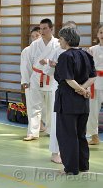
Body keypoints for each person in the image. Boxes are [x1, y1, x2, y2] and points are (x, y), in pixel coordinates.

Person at [54, 27, 96, 175]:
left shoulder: (66, 56)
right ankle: (83, 165)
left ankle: (71, 169)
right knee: (80, 134)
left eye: (60, 38)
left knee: (67, 135)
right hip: (82, 102)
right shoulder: (86, 54)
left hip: (68, 101)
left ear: (67, 40)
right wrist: (83, 89)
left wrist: (79, 89)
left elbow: (68, 79)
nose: (59, 41)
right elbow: (92, 77)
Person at [44, 21, 77, 164]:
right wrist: (53, 66)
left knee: (72, 123)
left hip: (74, 90)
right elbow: (47, 71)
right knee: (57, 121)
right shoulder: (57, 50)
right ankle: (54, 151)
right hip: (59, 89)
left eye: (72, 30)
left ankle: (68, 151)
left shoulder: (79, 51)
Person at [23, 18, 60, 141]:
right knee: (34, 106)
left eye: (45, 28)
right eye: (41, 28)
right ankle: (33, 132)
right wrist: (25, 80)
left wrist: (49, 63)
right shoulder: (34, 45)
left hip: (51, 78)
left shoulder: (58, 44)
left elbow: (60, 62)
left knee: (51, 107)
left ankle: (50, 130)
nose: (42, 31)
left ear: (51, 29)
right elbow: (27, 63)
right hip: (36, 77)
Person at [20, 26, 46, 132]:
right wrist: (26, 81)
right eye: (32, 36)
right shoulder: (27, 50)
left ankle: (47, 127)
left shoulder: (49, 47)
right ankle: (34, 129)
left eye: (37, 36)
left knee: (47, 106)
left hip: (47, 80)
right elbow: (24, 67)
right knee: (32, 106)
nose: (35, 38)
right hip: (32, 80)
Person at [86, 24, 103, 145]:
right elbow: (87, 68)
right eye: (101, 32)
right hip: (95, 82)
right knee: (92, 110)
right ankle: (94, 136)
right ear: (97, 35)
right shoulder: (92, 49)